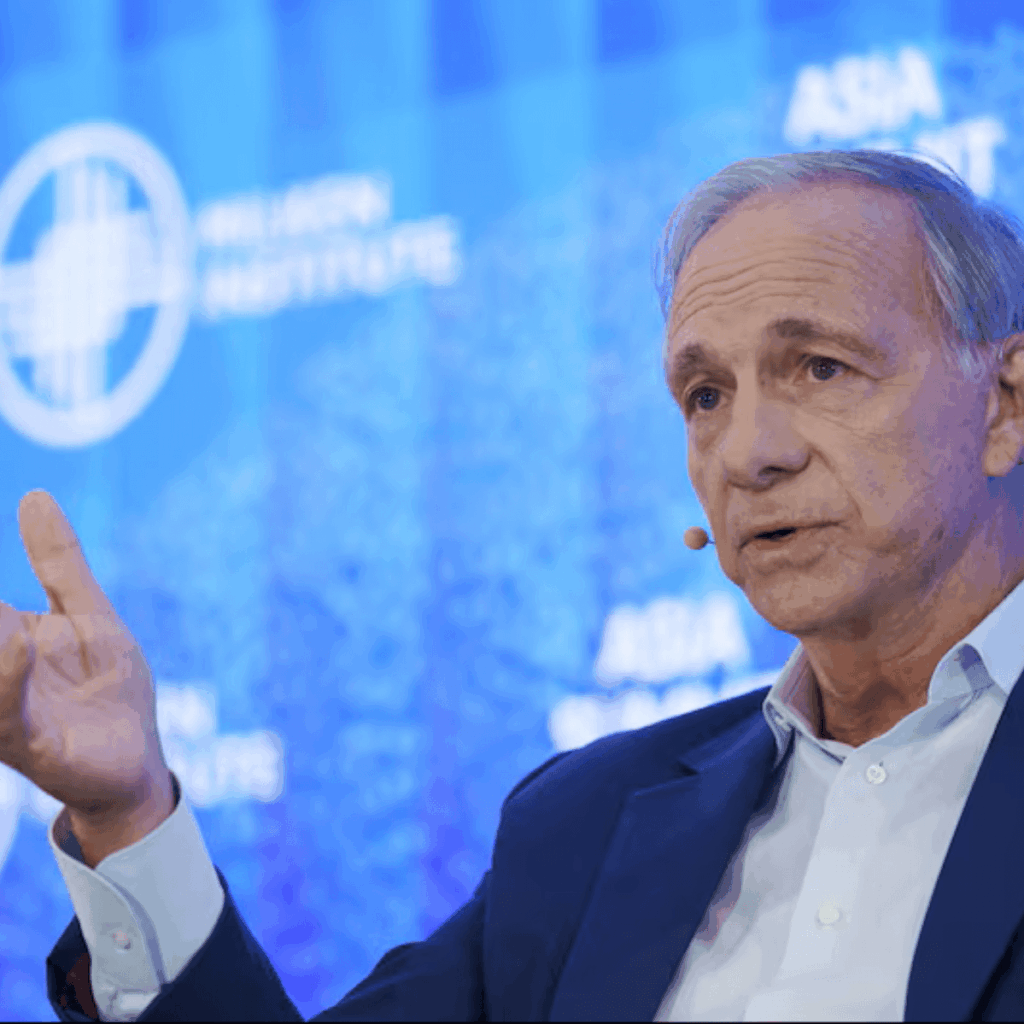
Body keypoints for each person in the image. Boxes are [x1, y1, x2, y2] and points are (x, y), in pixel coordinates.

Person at [10, 148, 1024, 1022]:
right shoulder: (590, 824)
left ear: (1005, 405)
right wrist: (127, 811)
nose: (749, 453)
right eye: (705, 394)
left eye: (820, 368)